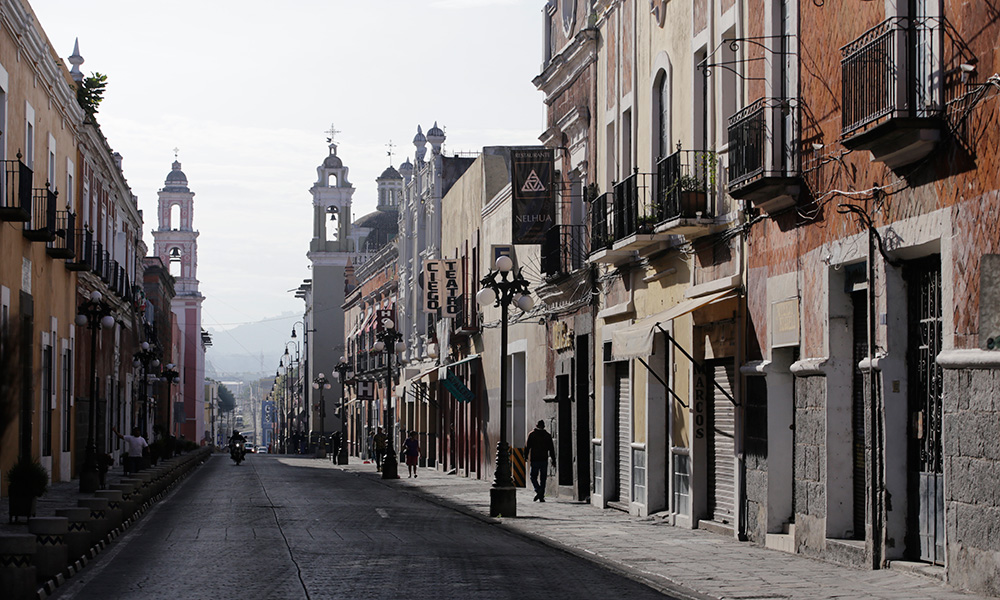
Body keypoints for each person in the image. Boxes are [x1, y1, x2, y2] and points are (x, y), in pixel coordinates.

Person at [525, 420, 556, 502]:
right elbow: (551, 449)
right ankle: (541, 494)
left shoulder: (532, 435)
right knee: (543, 478)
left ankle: (538, 490)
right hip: (544, 459)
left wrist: (525, 456)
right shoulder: (547, 435)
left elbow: (527, 447)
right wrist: (553, 460)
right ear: (544, 426)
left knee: (533, 476)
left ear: (536, 425)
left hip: (535, 459)